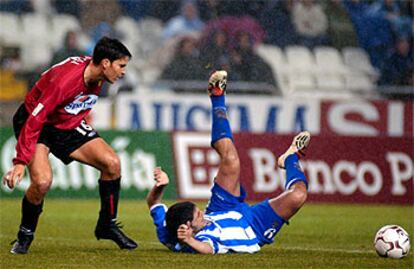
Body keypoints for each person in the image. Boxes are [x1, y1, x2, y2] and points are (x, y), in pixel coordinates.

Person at [147, 70, 310, 254]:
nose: (203, 215)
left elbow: (153, 203)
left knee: (231, 160)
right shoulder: (198, 240)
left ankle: (217, 96)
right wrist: (190, 240)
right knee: (298, 196)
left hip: (222, 209)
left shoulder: (167, 227)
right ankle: (290, 158)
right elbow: (207, 250)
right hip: (254, 227)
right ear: (188, 227)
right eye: (199, 216)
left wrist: (160, 186)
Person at [2, 37, 138, 254]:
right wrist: (19, 162)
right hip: (38, 122)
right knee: (42, 182)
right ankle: (25, 235)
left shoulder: (97, 73)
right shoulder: (65, 82)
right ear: (105, 63)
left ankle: (107, 225)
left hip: (66, 122)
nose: (123, 72)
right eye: (121, 66)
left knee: (112, 164)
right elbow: (35, 119)